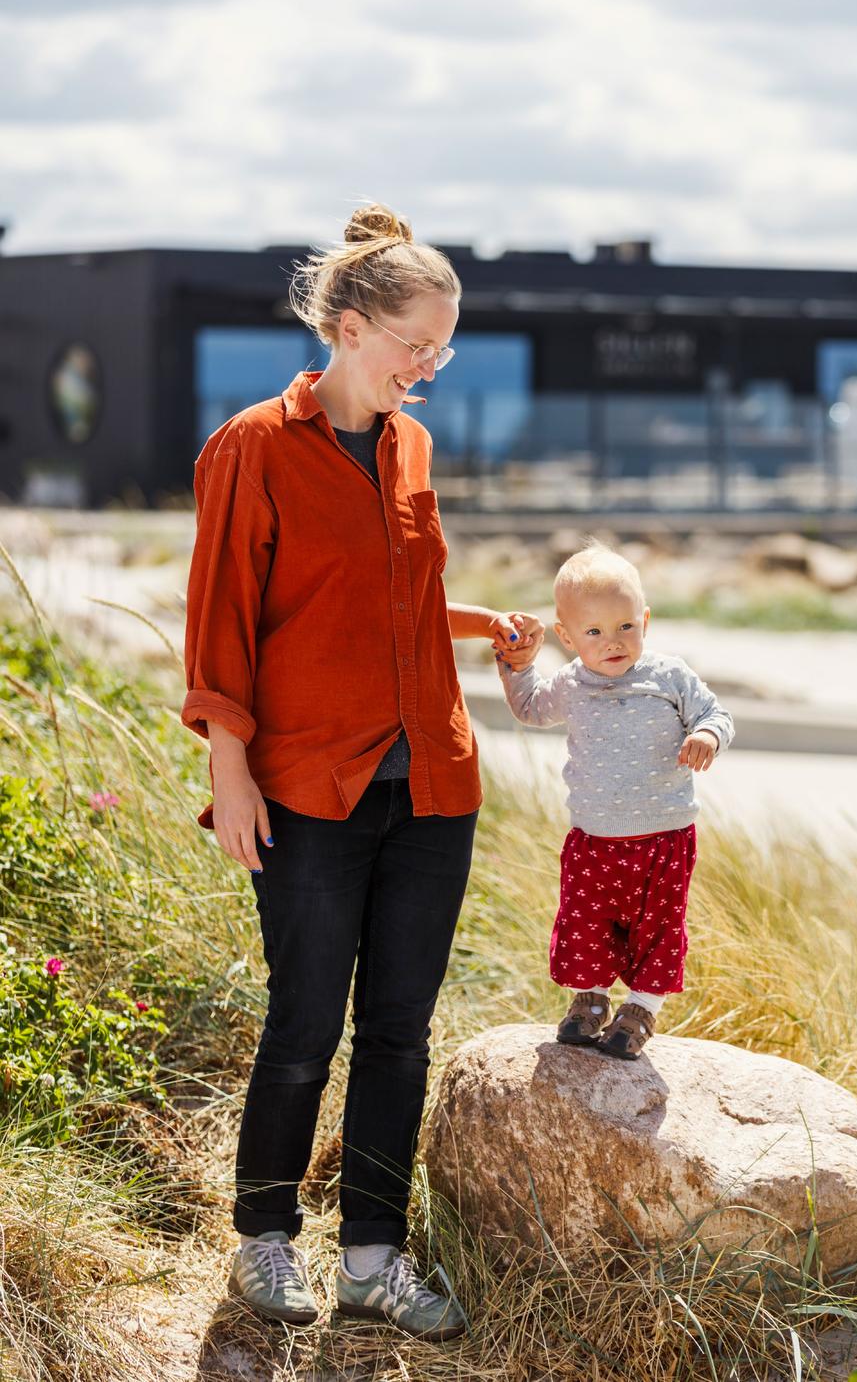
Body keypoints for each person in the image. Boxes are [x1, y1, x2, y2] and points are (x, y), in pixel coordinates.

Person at [180, 203, 542, 1340]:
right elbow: (222, 626)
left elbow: (400, 598)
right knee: (301, 1025)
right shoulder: (251, 448)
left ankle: (373, 1258)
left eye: (441, 351)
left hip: (431, 782)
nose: (428, 370)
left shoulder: (411, 445)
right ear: (346, 328)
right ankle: (265, 1243)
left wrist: (493, 625)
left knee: (399, 1028)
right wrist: (230, 775)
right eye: (412, 349)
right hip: (304, 785)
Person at [495, 541, 733, 1059]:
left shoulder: (668, 675)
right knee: (585, 924)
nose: (614, 642)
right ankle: (591, 1003)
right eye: (595, 632)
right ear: (567, 636)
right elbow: (531, 709)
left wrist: (707, 737)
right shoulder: (570, 683)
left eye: (626, 626)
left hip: (664, 836)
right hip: (594, 838)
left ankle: (641, 1008)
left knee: (658, 928)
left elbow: (716, 714)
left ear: (644, 618)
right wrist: (518, 666)